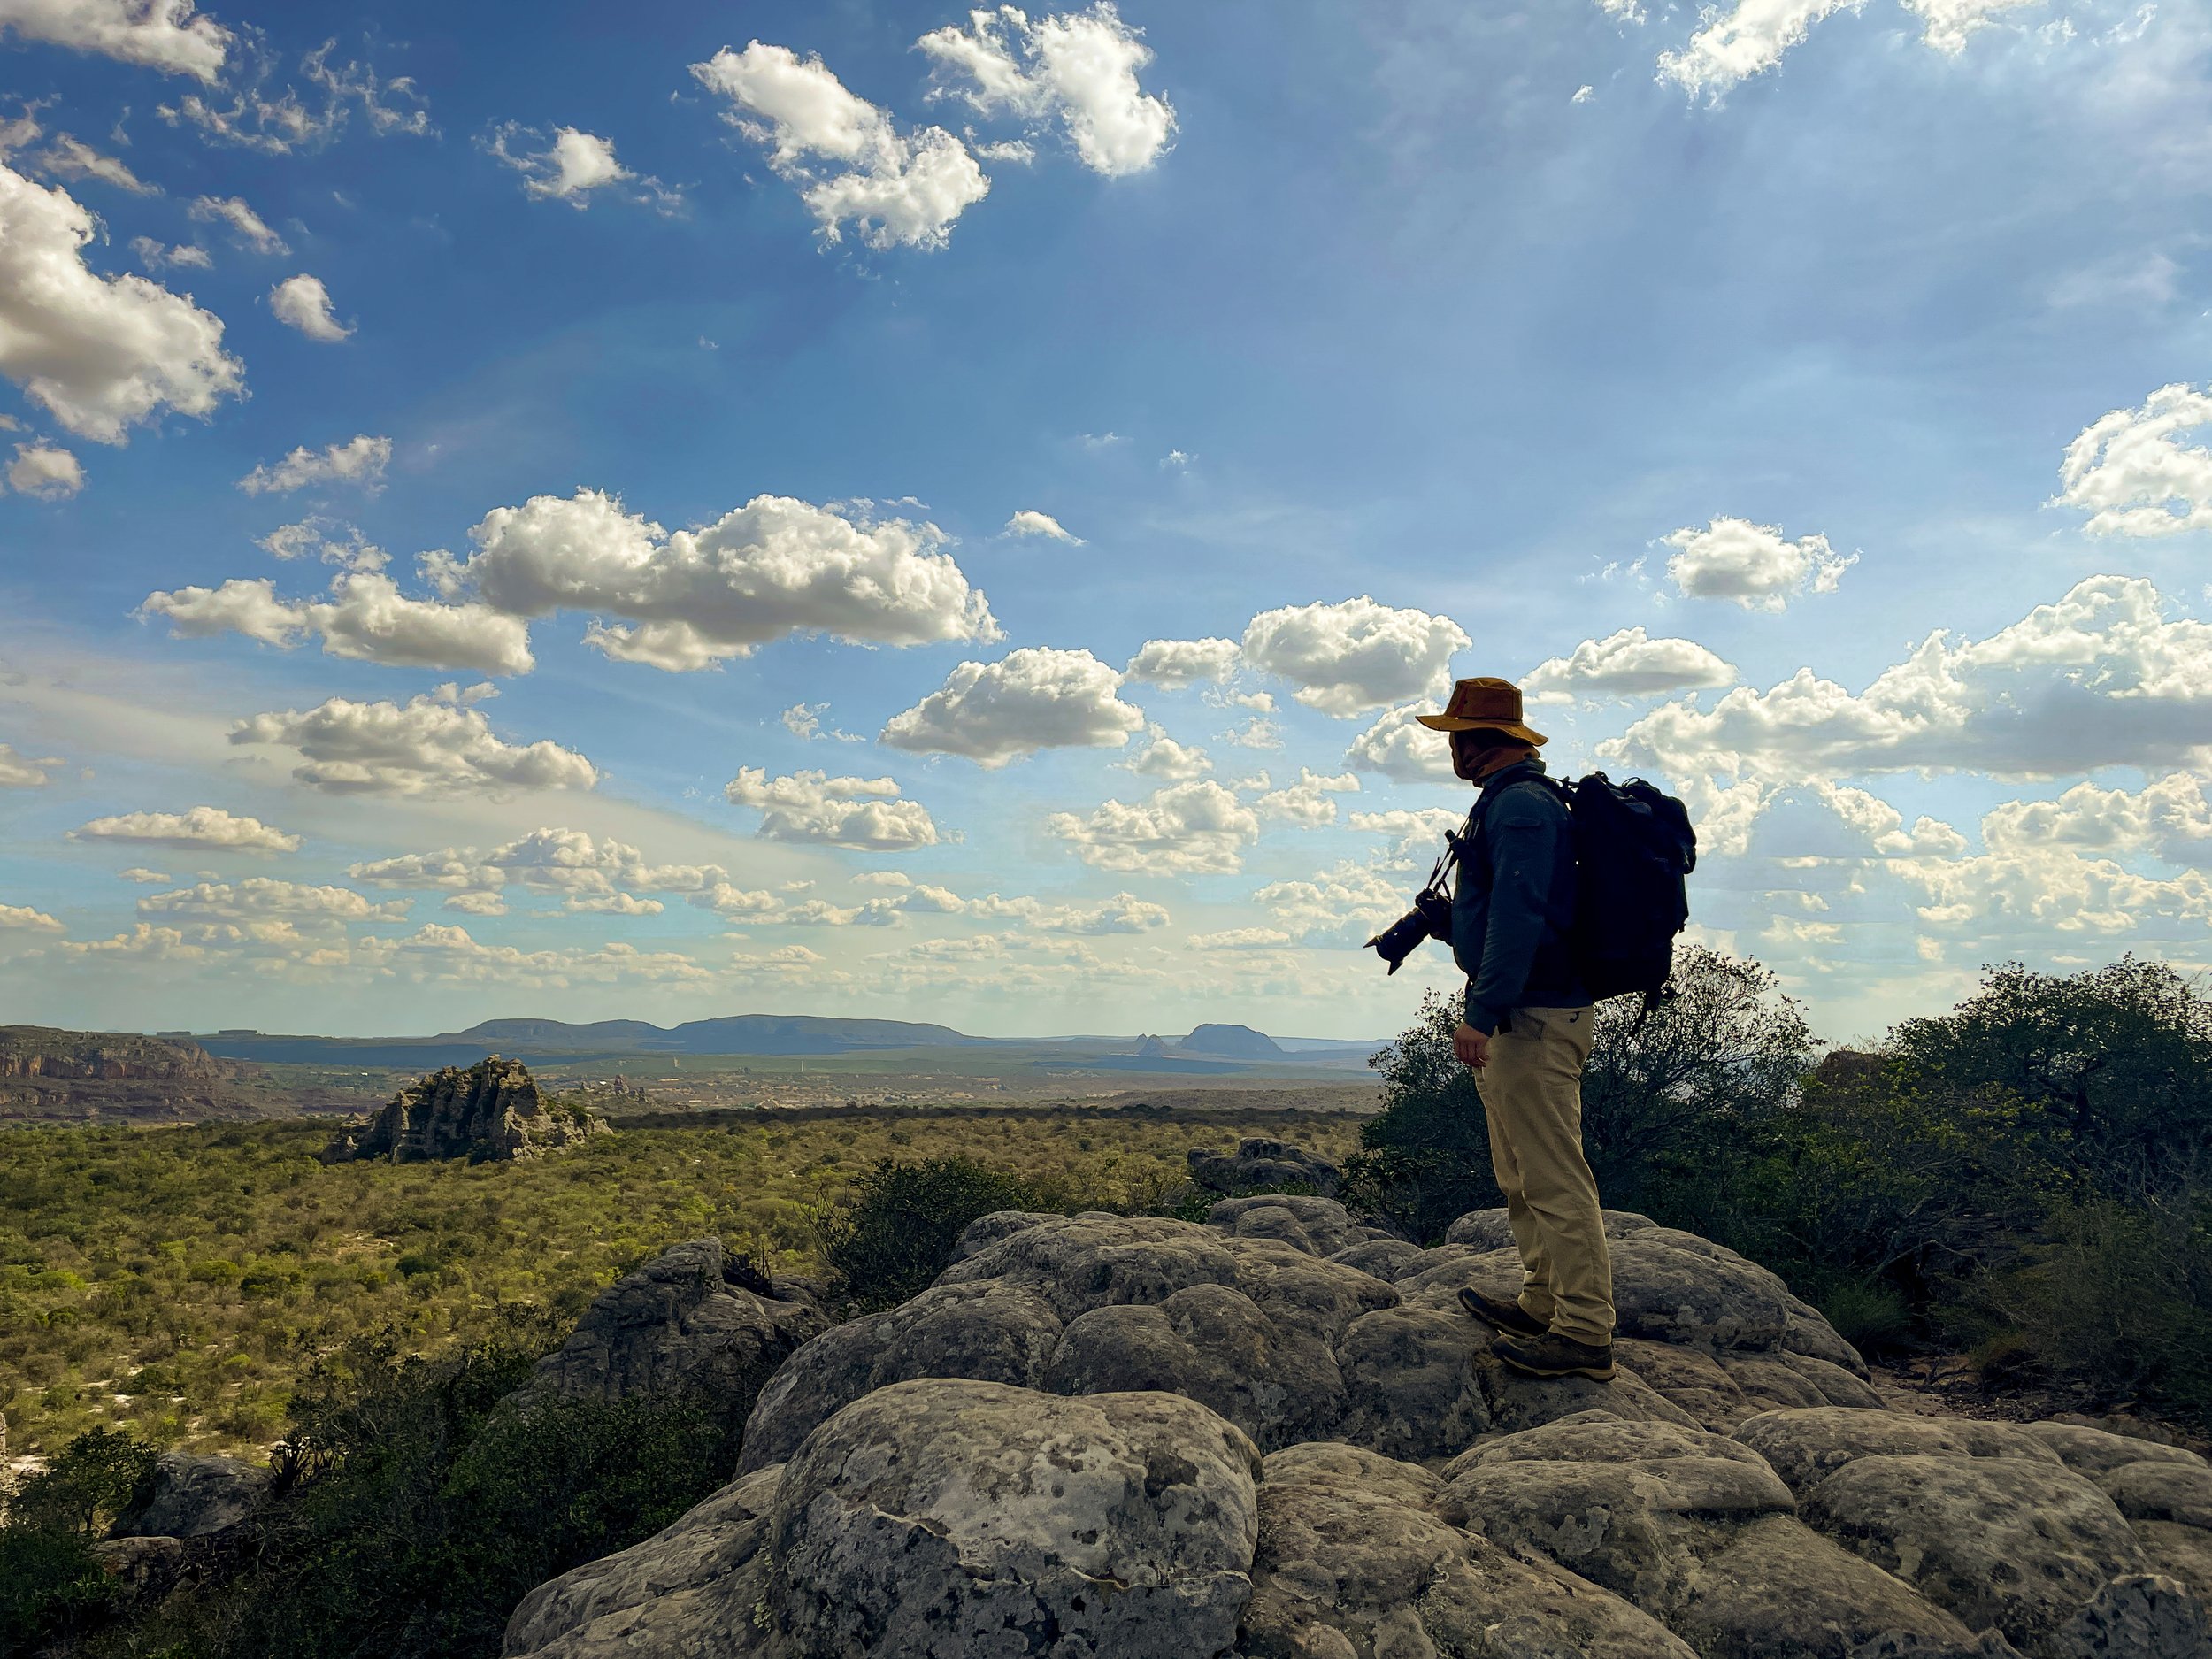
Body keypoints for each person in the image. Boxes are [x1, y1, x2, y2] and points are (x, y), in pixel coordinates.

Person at [1415, 676, 1615, 1382]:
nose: (1450, 749)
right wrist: (1446, 924)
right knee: (1520, 1171)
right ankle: (1541, 1301)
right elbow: (1507, 912)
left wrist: (1480, 1012)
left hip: (1530, 1015)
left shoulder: (1523, 807)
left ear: (1478, 740)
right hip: (1521, 1008)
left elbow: (1521, 919)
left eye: (1454, 736)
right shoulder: (1509, 802)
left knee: (1554, 1175)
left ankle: (1586, 1331)